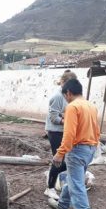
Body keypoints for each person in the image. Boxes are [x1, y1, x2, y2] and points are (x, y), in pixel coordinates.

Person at [47, 78, 100, 209]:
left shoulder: (72, 107)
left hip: (77, 150)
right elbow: (97, 130)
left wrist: (60, 153)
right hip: (90, 148)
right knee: (73, 179)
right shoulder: (91, 106)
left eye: (65, 97)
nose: (66, 99)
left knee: (77, 185)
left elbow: (69, 133)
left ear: (68, 93)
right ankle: (62, 207)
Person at [44, 70, 77, 200]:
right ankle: (50, 188)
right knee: (59, 159)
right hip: (55, 131)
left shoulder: (69, 95)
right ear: (63, 83)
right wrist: (67, 121)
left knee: (66, 160)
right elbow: (53, 118)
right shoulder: (58, 97)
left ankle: (52, 176)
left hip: (64, 131)